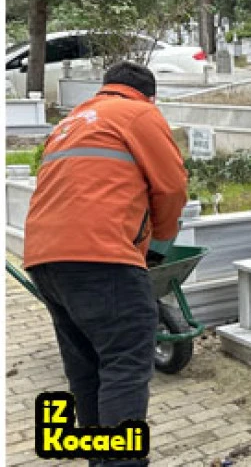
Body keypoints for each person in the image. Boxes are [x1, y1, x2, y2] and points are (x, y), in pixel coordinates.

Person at [23, 61, 188, 466]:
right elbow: (171, 188)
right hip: (101, 257)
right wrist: (158, 245)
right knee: (125, 363)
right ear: (150, 96)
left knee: (86, 367)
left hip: (45, 259)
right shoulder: (140, 113)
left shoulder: (70, 122)